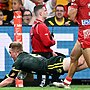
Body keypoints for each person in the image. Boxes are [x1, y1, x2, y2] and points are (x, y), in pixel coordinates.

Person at [0, 41, 88, 87]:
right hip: (51, 65)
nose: (10, 55)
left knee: (79, 61)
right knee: (87, 63)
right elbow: (29, 77)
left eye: (10, 52)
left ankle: (86, 44)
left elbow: (9, 80)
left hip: (52, 65)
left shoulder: (19, 61)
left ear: (15, 52)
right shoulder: (25, 56)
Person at [56, 0, 90, 89]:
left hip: (86, 32)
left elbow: (71, 16)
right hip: (84, 31)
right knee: (73, 57)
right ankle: (67, 82)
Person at [30, 5, 57, 87]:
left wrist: (52, 51)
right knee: (44, 76)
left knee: (42, 74)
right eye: (45, 10)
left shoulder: (35, 25)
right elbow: (47, 43)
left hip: (37, 53)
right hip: (43, 54)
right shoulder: (41, 26)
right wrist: (53, 41)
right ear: (41, 13)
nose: (47, 12)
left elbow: (39, 42)